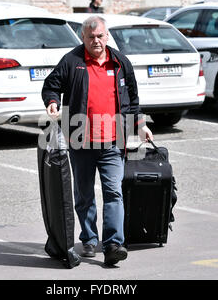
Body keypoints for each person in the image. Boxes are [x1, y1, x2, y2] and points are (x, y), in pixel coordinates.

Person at [41, 16, 153, 266]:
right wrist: (52, 102)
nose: (96, 41)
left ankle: (113, 243)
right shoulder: (72, 61)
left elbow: (132, 100)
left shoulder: (120, 62)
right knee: (84, 194)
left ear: (107, 36)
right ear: (83, 37)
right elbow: (51, 85)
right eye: (90, 37)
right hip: (80, 139)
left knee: (114, 191)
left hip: (114, 141)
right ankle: (90, 239)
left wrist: (140, 125)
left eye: (100, 36)